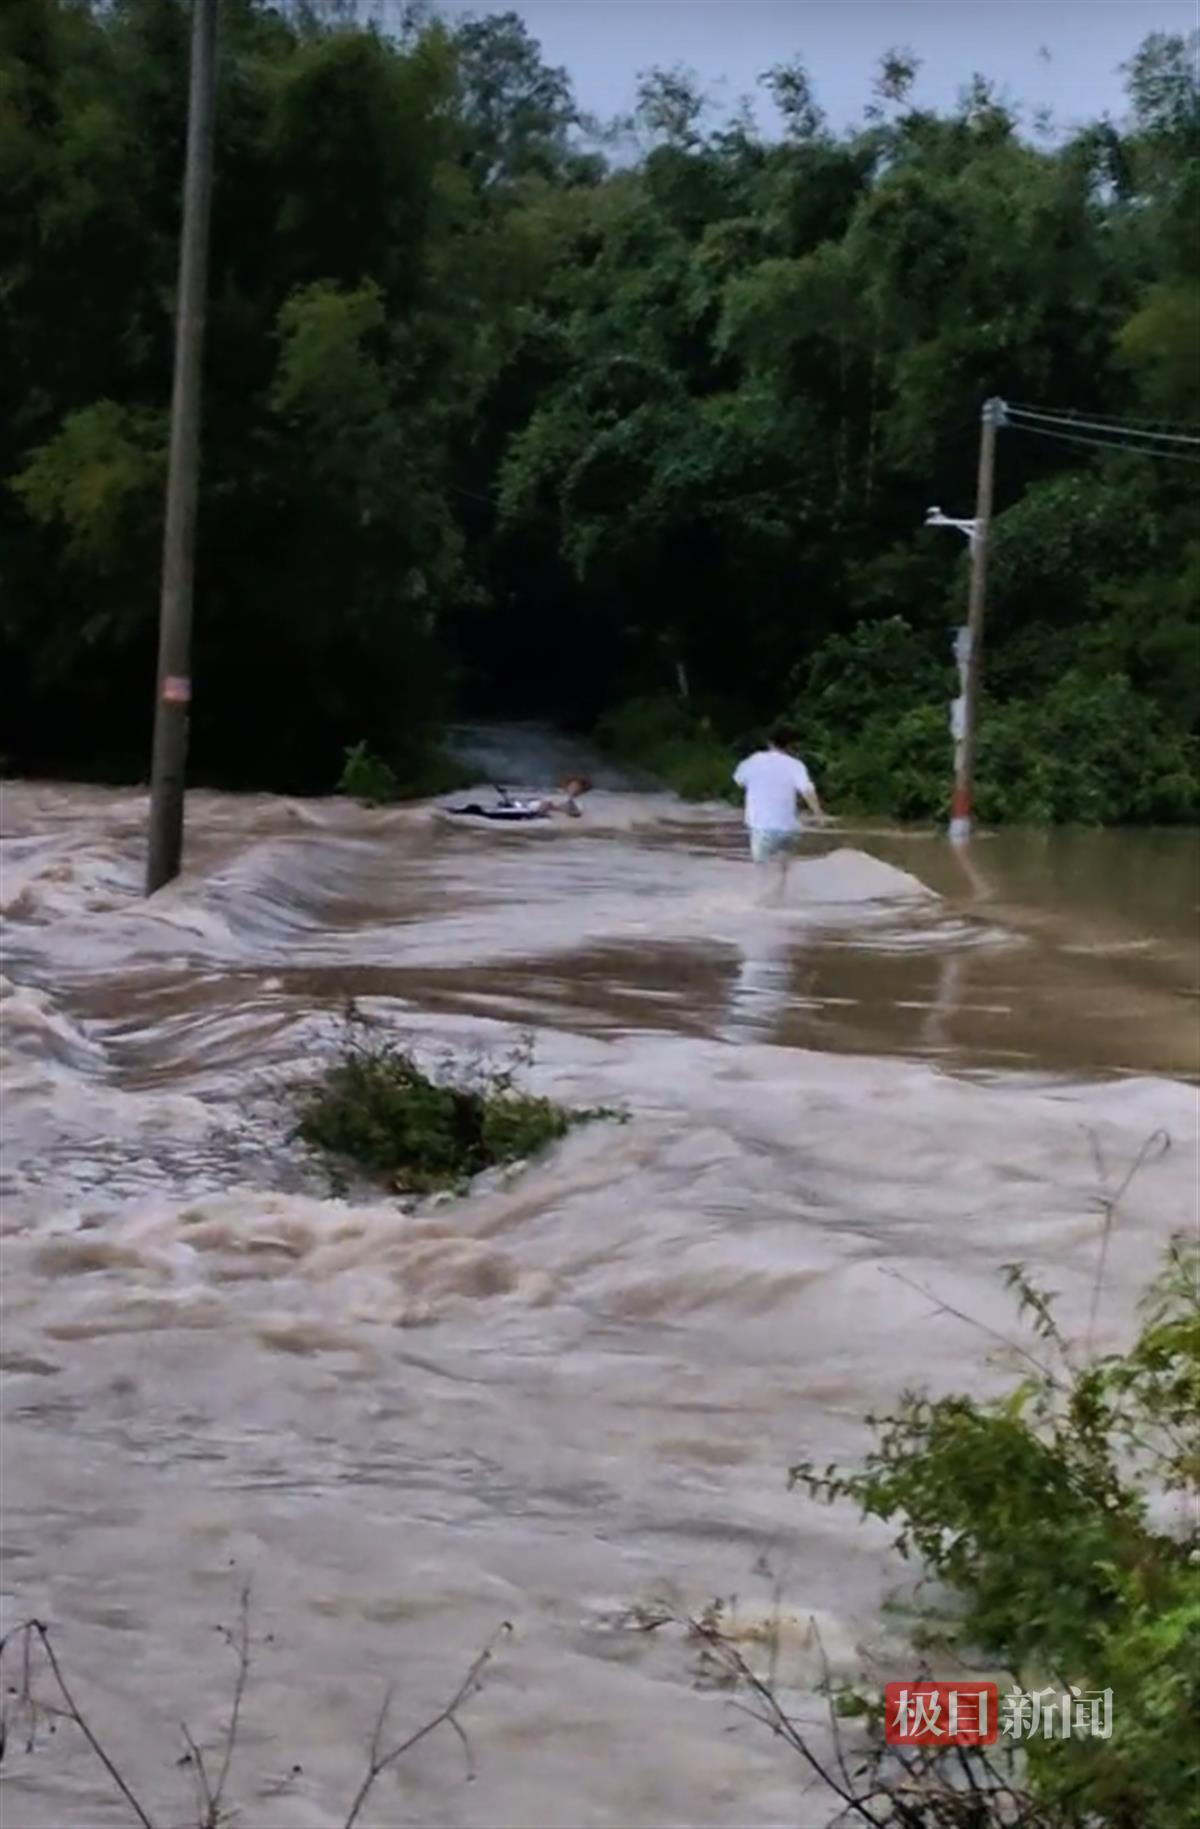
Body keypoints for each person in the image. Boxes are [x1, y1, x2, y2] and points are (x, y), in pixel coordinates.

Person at [733, 725, 826, 903]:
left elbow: (739, 780)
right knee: (783, 870)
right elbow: (807, 790)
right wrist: (819, 815)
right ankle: (780, 899)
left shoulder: (753, 761)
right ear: (791, 745)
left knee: (762, 871)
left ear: (769, 742)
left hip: (762, 828)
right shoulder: (795, 765)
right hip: (788, 828)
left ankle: (761, 905)